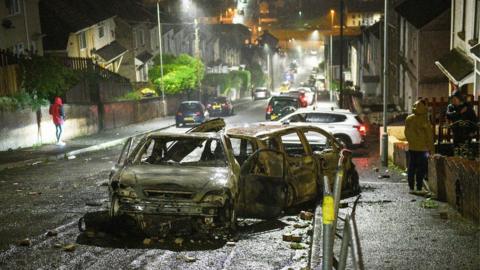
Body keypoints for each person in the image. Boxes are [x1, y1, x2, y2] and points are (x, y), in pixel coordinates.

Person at [404, 99, 434, 195]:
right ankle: (419, 187)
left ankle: (411, 187)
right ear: (424, 107)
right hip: (422, 148)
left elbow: (406, 133)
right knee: (421, 168)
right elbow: (429, 135)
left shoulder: (409, 118)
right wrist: (431, 149)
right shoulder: (424, 119)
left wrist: (411, 142)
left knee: (411, 167)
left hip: (412, 148)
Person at [446, 90, 478, 159]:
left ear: (459, 99)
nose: (453, 101)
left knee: (466, 151)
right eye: (452, 99)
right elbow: (449, 115)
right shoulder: (451, 107)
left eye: (455, 99)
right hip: (456, 133)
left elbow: (474, 120)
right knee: (457, 151)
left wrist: (473, 131)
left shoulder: (467, 107)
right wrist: (459, 112)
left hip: (466, 133)